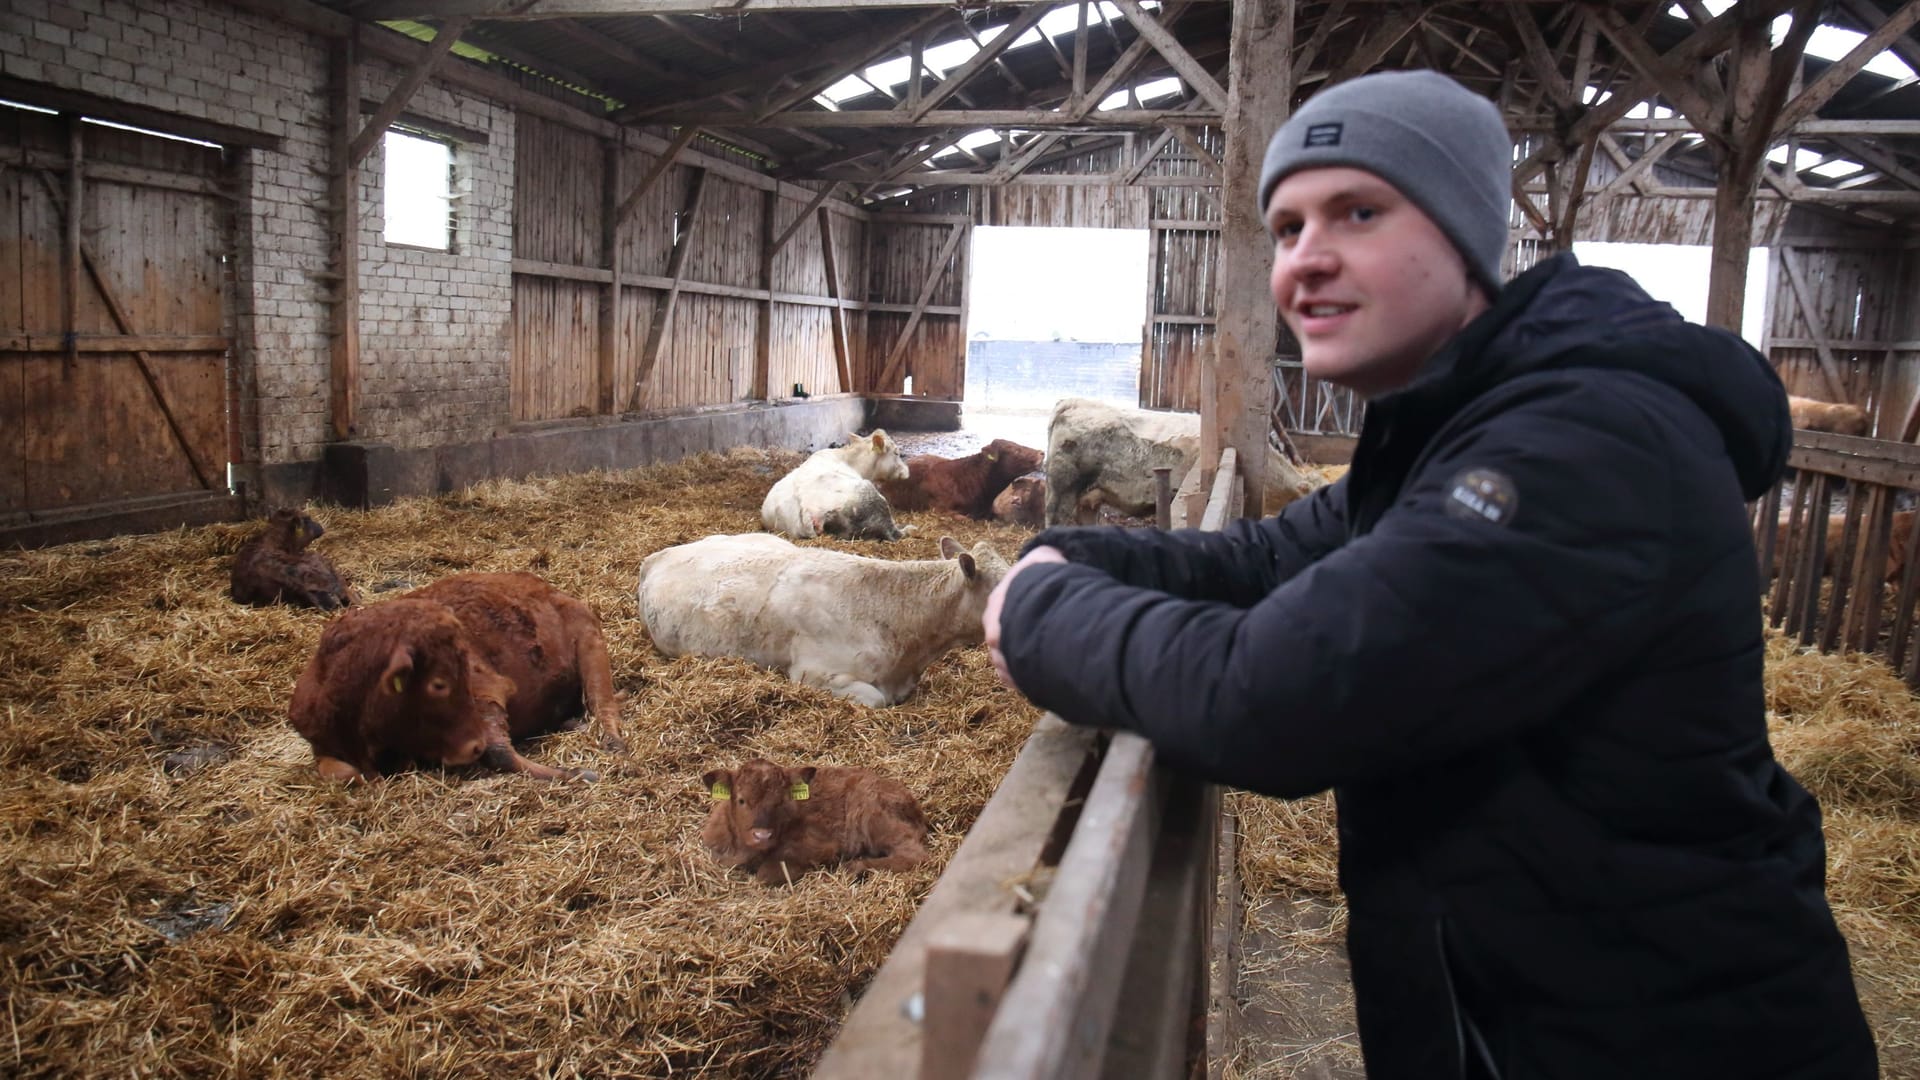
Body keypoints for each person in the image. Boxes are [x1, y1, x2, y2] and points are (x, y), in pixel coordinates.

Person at [982, 69, 1876, 1079]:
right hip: (1515, 1012)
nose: (1305, 263)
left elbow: (1276, 698)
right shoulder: (1449, 433)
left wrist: (1040, 610)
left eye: (1358, 213)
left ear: (1463, 235)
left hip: (1657, 1037)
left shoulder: (1582, 441)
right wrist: (1069, 552)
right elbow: (1266, 555)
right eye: (1285, 229)